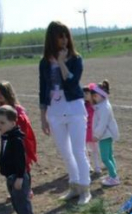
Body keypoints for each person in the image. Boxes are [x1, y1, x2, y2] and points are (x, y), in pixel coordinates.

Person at [38, 21, 92, 204]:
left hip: (74, 108)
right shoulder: (44, 63)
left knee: (79, 151)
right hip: (55, 111)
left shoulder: (76, 59)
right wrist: (43, 117)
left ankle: (85, 189)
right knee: (65, 152)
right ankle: (74, 186)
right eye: (59, 36)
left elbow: (71, 81)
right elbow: (43, 88)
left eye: (65, 35)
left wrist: (61, 62)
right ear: (51, 39)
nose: (64, 40)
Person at [0, 106, 37, 214]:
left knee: (22, 202)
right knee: (15, 201)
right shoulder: (5, 136)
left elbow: (21, 160)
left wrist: (20, 177)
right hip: (10, 176)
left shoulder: (17, 140)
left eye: (2, 122)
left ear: (13, 123)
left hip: (18, 176)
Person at [0, 81, 38, 172]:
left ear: (8, 93)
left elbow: (25, 126)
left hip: (19, 142)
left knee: (23, 164)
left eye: (2, 93)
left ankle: (24, 180)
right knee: (10, 163)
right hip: (6, 140)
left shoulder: (17, 108)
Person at [88, 81, 121, 187]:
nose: (94, 99)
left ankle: (114, 178)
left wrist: (96, 135)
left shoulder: (104, 108)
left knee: (105, 158)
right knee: (110, 156)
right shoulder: (103, 105)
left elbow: (102, 123)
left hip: (104, 136)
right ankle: (113, 175)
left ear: (101, 95)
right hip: (106, 135)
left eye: (95, 96)